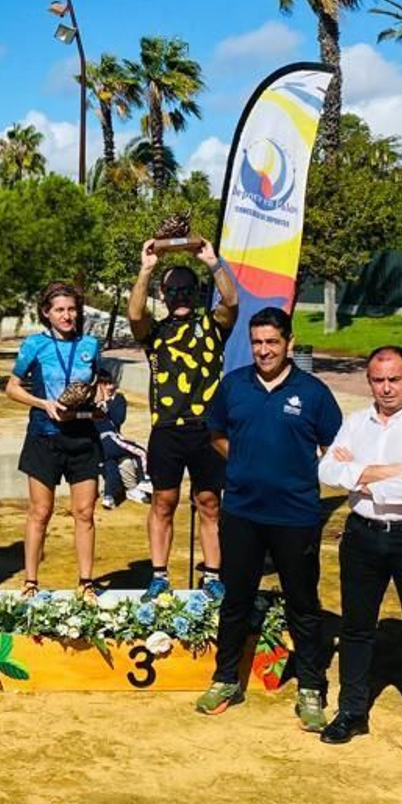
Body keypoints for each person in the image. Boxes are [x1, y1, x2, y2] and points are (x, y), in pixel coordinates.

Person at [195, 306, 344, 732]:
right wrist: (242, 463)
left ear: (289, 344)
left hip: (296, 516)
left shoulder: (313, 393)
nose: (264, 350)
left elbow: (336, 448)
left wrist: (303, 471)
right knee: (236, 600)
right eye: (258, 342)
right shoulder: (233, 386)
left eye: (272, 342)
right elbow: (217, 434)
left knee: (303, 604)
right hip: (241, 512)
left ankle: (311, 689)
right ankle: (225, 679)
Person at [317, 344, 402, 774]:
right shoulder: (355, 423)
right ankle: (352, 711)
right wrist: (387, 469)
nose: (387, 387)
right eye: (379, 380)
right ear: (369, 381)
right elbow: (325, 472)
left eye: (395, 379)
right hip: (363, 535)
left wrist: (357, 472)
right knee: (357, 629)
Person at [127, 238, 239, 598]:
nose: (180, 296)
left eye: (187, 290)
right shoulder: (154, 332)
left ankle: (213, 575)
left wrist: (213, 263)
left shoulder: (212, 326)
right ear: (163, 293)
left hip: (207, 430)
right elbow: (133, 314)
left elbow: (232, 302)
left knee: (209, 503)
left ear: (196, 293)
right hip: (167, 431)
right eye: (173, 290)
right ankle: (159, 575)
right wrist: (145, 270)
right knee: (164, 502)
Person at [5, 281, 104, 593]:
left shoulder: (90, 344)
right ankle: (30, 582)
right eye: (60, 310)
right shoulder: (35, 344)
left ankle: (86, 583)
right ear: (46, 313)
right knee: (40, 511)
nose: (67, 315)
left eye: (72, 309)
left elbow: (100, 383)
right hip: (44, 436)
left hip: (83, 437)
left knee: (85, 512)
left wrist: (101, 401)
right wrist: (43, 404)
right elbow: (12, 387)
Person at [94, 368, 152, 510]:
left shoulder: (118, 399)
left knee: (114, 464)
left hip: (111, 441)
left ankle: (112, 496)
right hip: (103, 441)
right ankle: (144, 480)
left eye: (109, 383)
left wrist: (107, 402)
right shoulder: (92, 405)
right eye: (104, 384)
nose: (108, 387)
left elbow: (118, 419)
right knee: (140, 452)